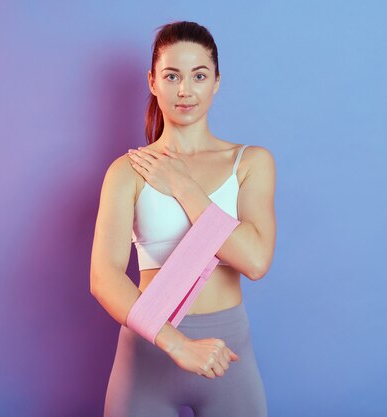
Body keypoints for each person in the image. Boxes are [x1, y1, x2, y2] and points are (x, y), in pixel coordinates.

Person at [90, 20, 276, 417]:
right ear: (153, 82)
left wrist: (183, 186)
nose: (185, 90)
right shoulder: (128, 171)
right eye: (172, 76)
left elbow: (256, 261)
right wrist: (178, 344)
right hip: (148, 354)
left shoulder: (250, 163)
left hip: (227, 355)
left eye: (199, 75)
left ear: (217, 82)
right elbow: (103, 277)